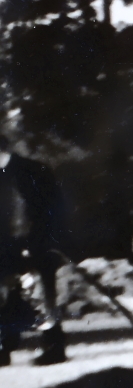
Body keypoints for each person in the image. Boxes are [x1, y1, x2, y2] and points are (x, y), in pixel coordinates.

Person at [0, 131, 66, 366]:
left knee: (42, 295)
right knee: (6, 296)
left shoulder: (34, 171)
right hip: (6, 247)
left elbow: (52, 210)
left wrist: (42, 243)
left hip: (38, 245)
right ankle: (4, 348)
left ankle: (55, 347)